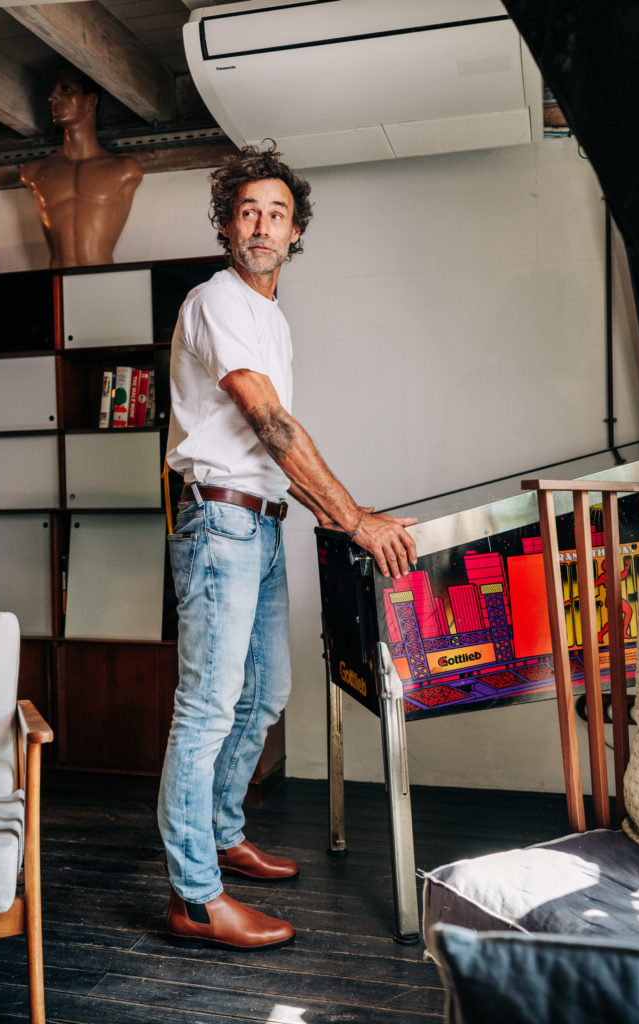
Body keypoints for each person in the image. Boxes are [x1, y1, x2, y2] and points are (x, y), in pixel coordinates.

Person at [158, 142, 418, 951]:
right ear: (226, 226)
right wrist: (352, 520)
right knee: (206, 709)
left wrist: (344, 511)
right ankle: (194, 897)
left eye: (277, 214)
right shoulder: (218, 300)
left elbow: (269, 451)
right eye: (248, 212)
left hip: (260, 523)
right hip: (219, 526)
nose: (262, 226)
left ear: (295, 231)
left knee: (263, 693)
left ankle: (222, 834)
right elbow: (268, 422)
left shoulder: (266, 315)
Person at [20, 65, 142, 268]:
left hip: (103, 280)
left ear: (91, 101)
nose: (52, 97)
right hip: (56, 282)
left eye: (65, 89)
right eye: (52, 91)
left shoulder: (125, 169)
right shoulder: (35, 172)